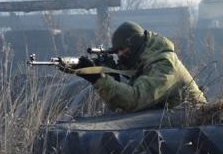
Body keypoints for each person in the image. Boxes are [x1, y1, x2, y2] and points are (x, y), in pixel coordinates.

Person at [74, 21, 207, 113]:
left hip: (192, 127)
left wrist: (98, 79)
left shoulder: (165, 64)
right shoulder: (145, 64)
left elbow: (135, 100)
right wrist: (111, 79)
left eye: (122, 50)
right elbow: (119, 107)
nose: (120, 56)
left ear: (133, 45)